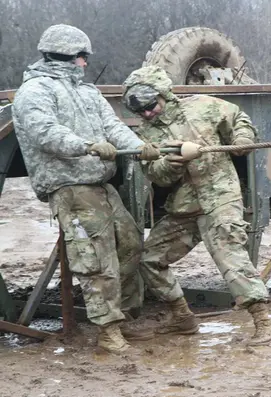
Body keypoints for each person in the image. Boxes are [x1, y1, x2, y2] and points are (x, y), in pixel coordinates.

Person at [11, 24, 160, 354]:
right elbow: (45, 134)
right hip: (70, 187)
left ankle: (122, 318)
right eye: (83, 58)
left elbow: (113, 128)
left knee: (131, 244)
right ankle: (107, 331)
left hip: (100, 184)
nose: (85, 64)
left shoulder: (87, 93)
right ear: (71, 57)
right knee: (95, 259)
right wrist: (88, 146)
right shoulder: (35, 91)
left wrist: (139, 147)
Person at [121, 66, 271, 346]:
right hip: (185, 206)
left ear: (164, 95)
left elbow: (238, 117)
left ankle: (263, 321)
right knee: (149, 260)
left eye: (150, 106)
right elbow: (155, 173)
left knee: (230, 256)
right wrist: (171, 163)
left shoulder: (203, 105)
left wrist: (243, 139)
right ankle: (182, 317)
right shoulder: (145, 136)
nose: (147, 114)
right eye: (140, 111)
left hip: (220, 197)